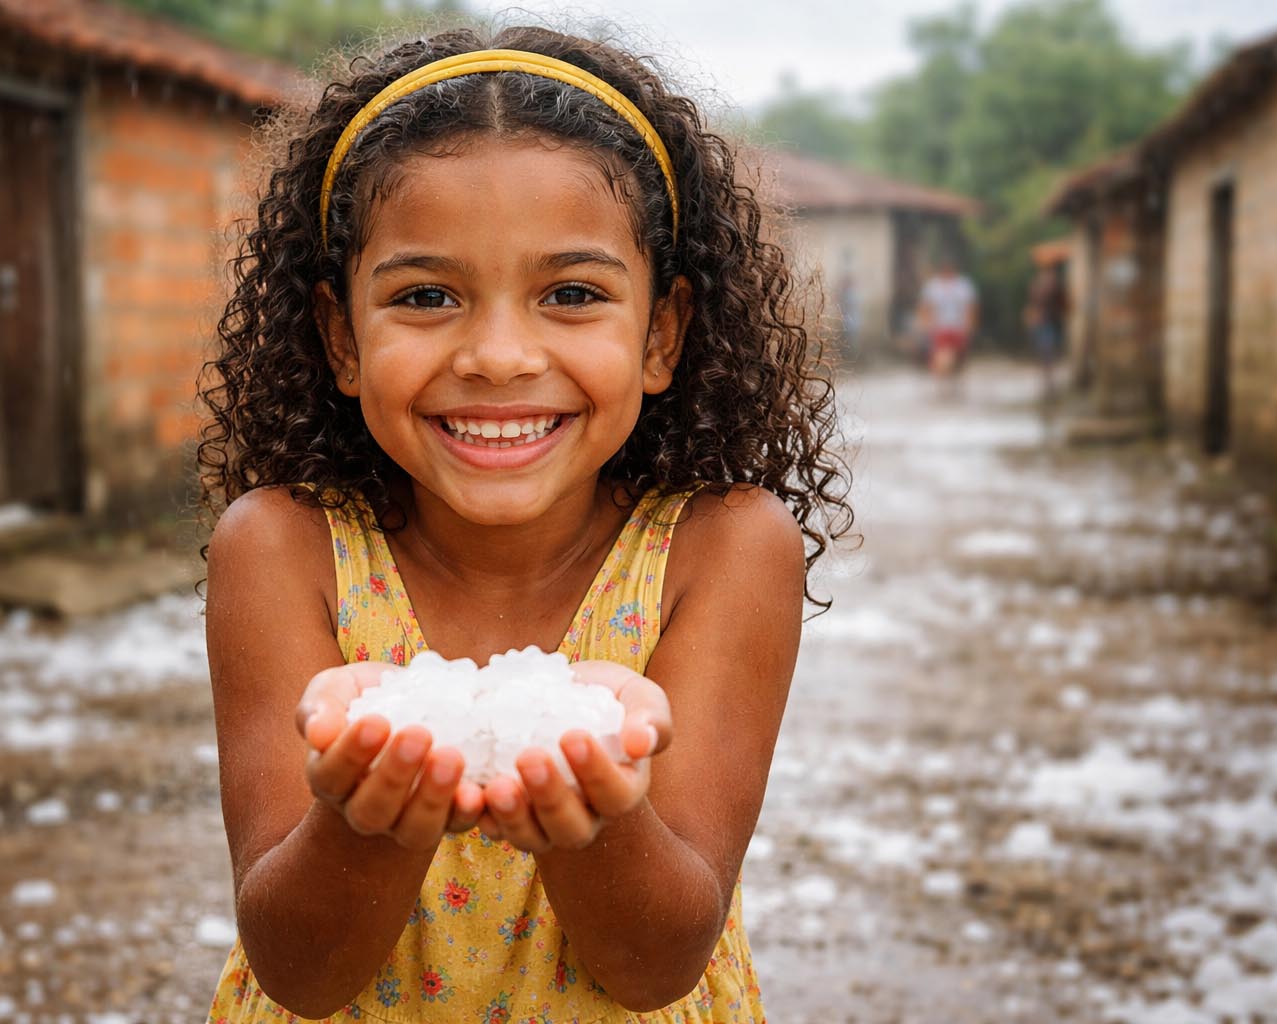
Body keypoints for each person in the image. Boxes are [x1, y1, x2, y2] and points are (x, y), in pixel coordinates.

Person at [198, 27, 852, 1023]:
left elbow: (657, 961)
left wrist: (594, 815)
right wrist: (366, 814)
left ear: (661, 333)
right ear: (341, 337)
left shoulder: (722, 545)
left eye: (573, 294)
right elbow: (301, 968)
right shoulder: (283, 547)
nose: (499, 356)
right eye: (426, 295)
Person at [917, 256, 977, 392]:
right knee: (941, 360)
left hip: (959, 328)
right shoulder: (933, 286)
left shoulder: (963, 285)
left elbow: (971, 307)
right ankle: (942, 387)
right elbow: (925, 307)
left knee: (959, 360)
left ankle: (954, 386)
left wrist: (969, 326)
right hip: (940, 329)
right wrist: (925, 325)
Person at [1023, 260, 1068, 403]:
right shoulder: (1037, 286)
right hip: (1043, 324)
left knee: (1049, 352)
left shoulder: (1055, 287)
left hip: (1052, 323)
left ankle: (1049, 381)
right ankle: (1047, 381)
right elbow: (1032, 305)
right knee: (1045, 352)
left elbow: (1065, 304)